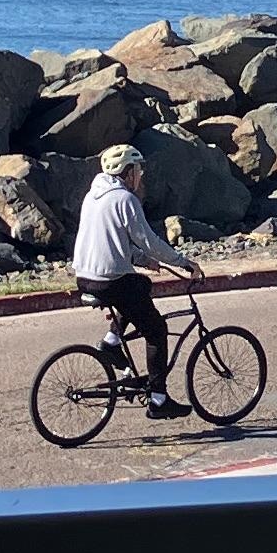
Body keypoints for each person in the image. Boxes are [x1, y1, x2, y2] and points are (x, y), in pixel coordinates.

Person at [70, 143, 198, 412]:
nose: (141, 176)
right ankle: (159, 399)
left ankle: (112, 342)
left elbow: (112, 240)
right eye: (138, 170)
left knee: (140, 284)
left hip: (85, 276)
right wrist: (183, 263)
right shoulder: (125, 199)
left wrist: (142, 261)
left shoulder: (93, 196)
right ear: (128, 173)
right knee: (156, 330)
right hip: (110, 279)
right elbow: (149, 241)